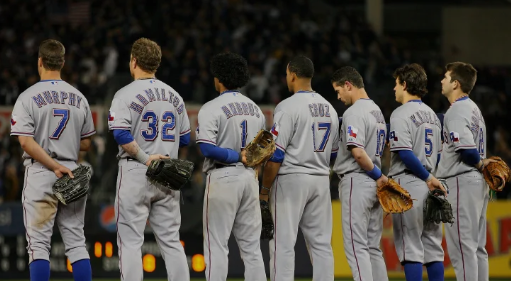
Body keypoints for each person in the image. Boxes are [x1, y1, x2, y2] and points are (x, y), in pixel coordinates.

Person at [10, 39, 95, 281]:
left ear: (40, 62)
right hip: (71, 172)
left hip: (41, 172)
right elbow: (87, 143)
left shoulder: (27, 97)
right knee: (77, 244)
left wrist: (53, 164)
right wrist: (65, 153)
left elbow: (25, 142)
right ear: (63, 62)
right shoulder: (79, 97)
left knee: (38, 246)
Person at [107, 38, 191, 281]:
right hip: (167, 173)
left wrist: (146, 158)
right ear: (157, 63)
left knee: (131, 242)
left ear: (133, 62)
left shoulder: (124, 94)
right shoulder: (174, 95)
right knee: (172, 243)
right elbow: (184, 139)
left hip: (135, 170)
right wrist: (163, 155)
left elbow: (120, 133)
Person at [262, 55, 338, 281]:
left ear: (293, 75)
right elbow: (333, 153)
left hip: (292, 178)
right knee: (322, 244)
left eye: (287, 74)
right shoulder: (329, 108)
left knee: (283, 243)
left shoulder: (287, 106)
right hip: (321, 178)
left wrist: (264, 190)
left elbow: (276, 155)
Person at [196, 52, 267, 281]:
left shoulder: (211, 107)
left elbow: (206, 149)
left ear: (219, 78)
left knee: (216, 246)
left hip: (223, 178)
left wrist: (237, 156)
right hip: (250, 180)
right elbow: (262, 153)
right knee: (252, 250)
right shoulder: (256, 109)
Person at [388, 63, 446, 281]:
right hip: (431, 184)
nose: (394, 88)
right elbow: (438, 154)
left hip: (411, 182)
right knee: (433, 248)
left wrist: (426, 177)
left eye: (396, 84)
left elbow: (404, 153)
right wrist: (431, 177)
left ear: (404, 84)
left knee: (410, 247)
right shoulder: (432, 115)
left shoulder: (400, 113)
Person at [437, 62, 494, 281]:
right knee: (477, 248)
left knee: (462, 249)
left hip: (462, 181)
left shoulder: (458, 110)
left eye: (446, 77)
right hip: (476, 183)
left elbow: (468, 151)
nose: (442, 80)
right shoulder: (473, 108)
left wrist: (480, 164)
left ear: (456, 84)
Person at [331, 66, 388, 281]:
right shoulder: (377, 111)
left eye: (339, 91)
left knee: (356, 246)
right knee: (373, 247)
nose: (338, 96)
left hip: (359, 179)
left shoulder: (354, 112)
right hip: (374, 183)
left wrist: (378, 176)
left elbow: (358, 153)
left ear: (349, 85)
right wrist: (379, 177)